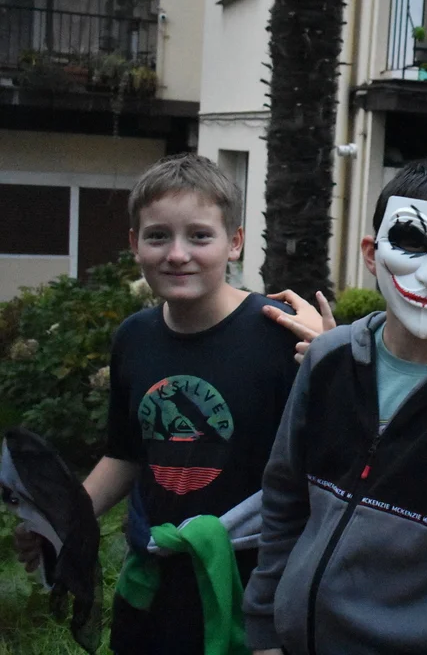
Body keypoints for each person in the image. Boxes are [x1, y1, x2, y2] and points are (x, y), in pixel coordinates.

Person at [243, 156, 427, 655]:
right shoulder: (327, 359)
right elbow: (283, 500)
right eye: (411, 242)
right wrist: (265, 630)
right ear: (371, 252)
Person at [14, 153, 302, 654]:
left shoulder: (281, 335)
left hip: (252, 584)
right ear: (134, 244)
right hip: (152, 579)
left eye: (200, 236)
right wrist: (60, 522)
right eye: (158, 236)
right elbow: (125, 455)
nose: (177, 254)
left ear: (234, 242)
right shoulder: (134, 338)